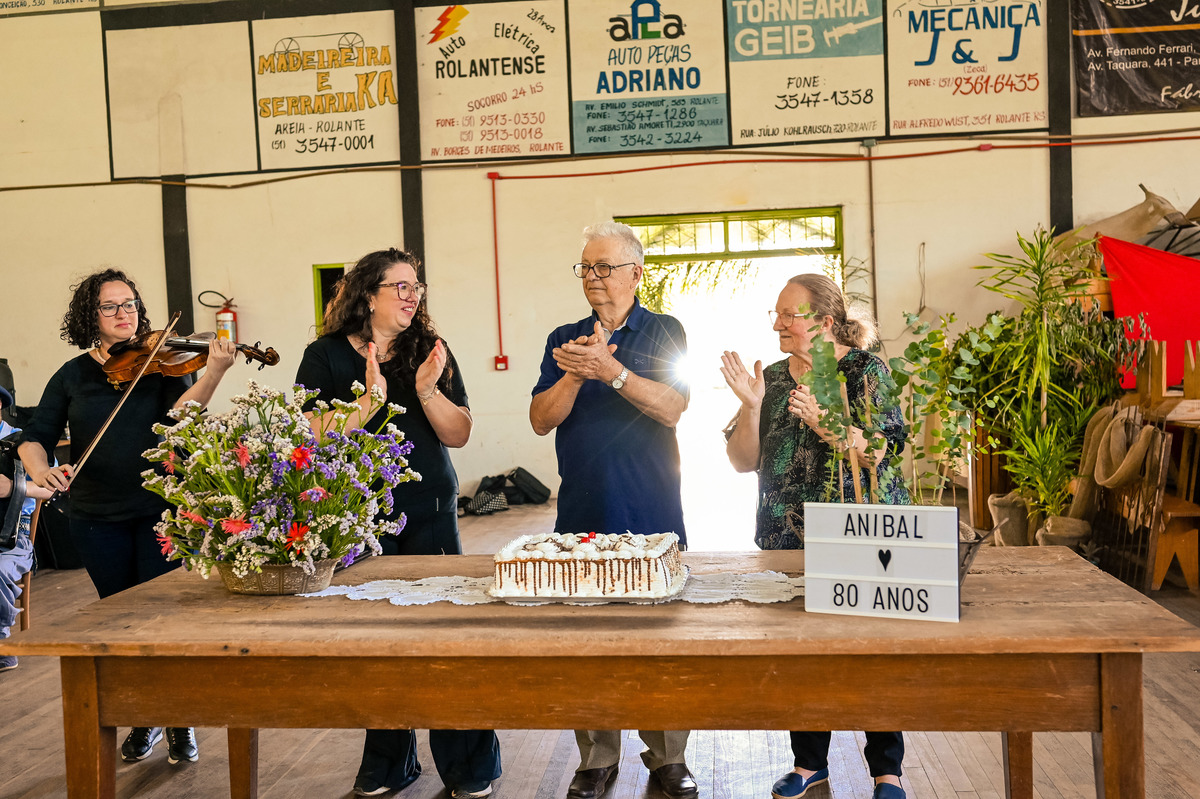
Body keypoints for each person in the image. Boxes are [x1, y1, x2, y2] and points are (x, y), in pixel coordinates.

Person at [295, 247, 501, 799]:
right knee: (375, 639)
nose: (413, 295)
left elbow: (459, 433)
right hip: (359, 517)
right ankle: (388, 762)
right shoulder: (324, 355)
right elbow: (306, 435)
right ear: (369, 295)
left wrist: (427, 390)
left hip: (429, 506)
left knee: (447, 635)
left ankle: (468, 763)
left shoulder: (430, 349)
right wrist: (366, 406)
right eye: (400, 286)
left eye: (417, 287)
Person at [19, 268, 237, 763]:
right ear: (90, 316)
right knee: (120, 622)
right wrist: (42, 471)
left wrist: (215, 372)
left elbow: (182, 418)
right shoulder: (72, 375)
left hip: (159, 511)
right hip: (95, 517)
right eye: (111, 306)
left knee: (163, 620)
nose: (124, 314)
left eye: (131, 304)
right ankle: (143, 717)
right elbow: (35, 436)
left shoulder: (162, 364)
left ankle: (178, 720)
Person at [720, 273, 908, 799]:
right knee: (800, 653)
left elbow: (883, 450)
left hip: (860, 536)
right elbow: (742, 461)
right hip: (786, 538)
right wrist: (751, 407)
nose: (778, 324)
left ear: (825, 322)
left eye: (789, 315)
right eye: (776, 315)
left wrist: (832, 426)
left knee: (870, 651)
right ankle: (809, 764)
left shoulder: (864, 370)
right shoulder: (772, 378)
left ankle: (887, 771)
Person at [530, 221, 696, 799]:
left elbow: (673, 407)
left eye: (604, 266)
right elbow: (541, 419)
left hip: (652, 507)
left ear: (635, 274)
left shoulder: (665, 330)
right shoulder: (564, 338)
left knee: (660, 643)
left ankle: (669, 759)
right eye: (586, 267)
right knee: (587, 644)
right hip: (583, 509)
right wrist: (577, 373)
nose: (593, 277)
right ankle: (597, 759)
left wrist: (613, 372)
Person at [1, 385, 54, 673]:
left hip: (12, 537)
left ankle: (1, 644)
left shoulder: (24, 442)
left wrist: (14, 487)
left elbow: (53, 489)